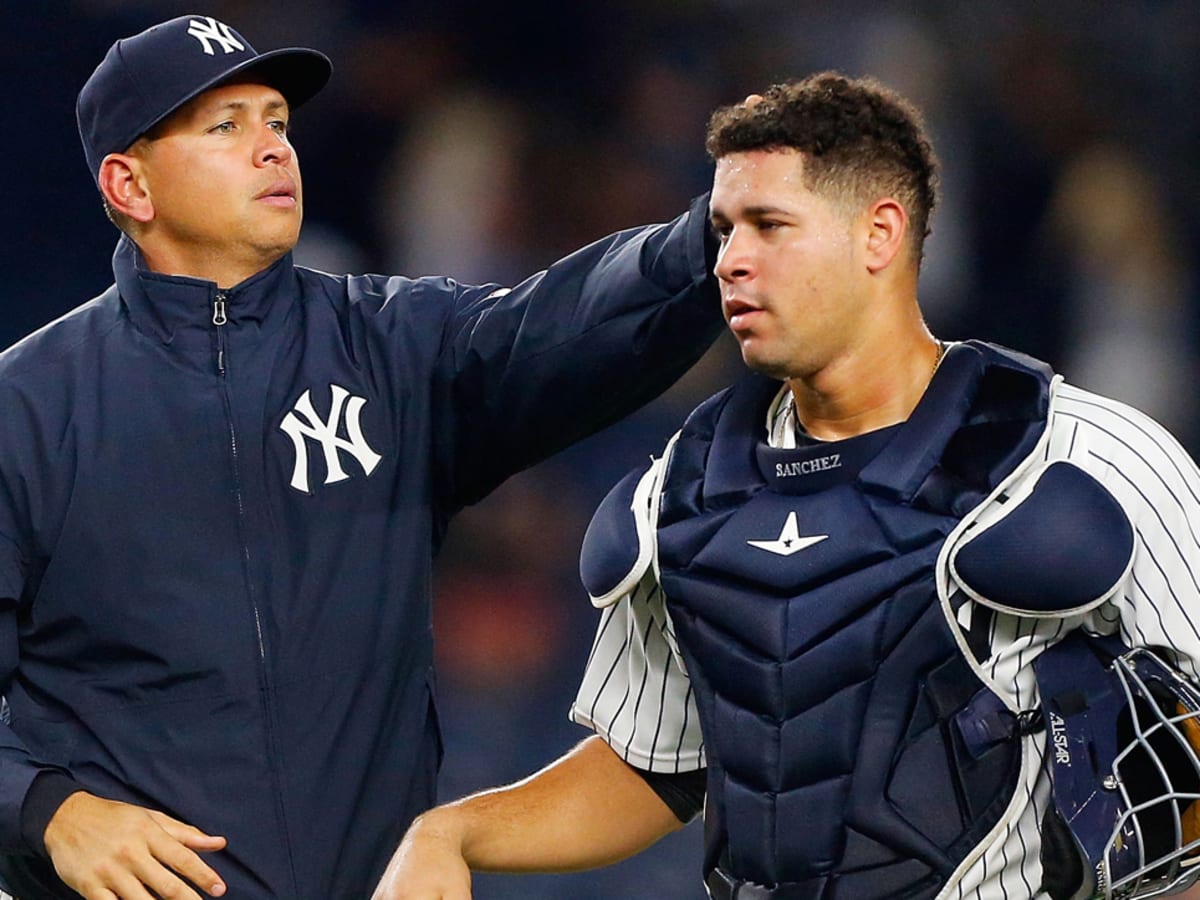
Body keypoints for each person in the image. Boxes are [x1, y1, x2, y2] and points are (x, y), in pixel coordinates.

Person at [375, 73, 1200, 900]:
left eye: (769, 226)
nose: (729, 261)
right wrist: (452, 830)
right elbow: (655, 767)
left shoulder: (1082, 458)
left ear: (879, 235)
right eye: (724, 229)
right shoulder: (687, 490)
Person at [0, 14, 724, 900]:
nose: (272, 149)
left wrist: (719, 232)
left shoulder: (392, 346)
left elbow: (571, 322)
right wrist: (48, 810)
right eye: (226, 126)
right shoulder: (28, 407)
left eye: (277, 122)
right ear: (130, 184)